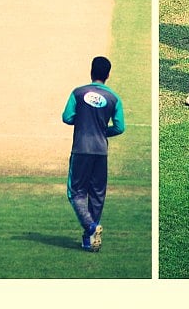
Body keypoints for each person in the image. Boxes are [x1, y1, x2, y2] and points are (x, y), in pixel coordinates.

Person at [63, 56, 124, 252]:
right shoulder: (114, 98)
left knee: (76, 193)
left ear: (91, 71)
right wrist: (102, 131)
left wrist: (83, 120)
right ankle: (89, 240)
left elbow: (67, 117)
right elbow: (120, 127)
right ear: (108, 75)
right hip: (101, 152)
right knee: (97, 195)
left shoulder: (78, 92)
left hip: (81, 149)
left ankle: (91, 227)